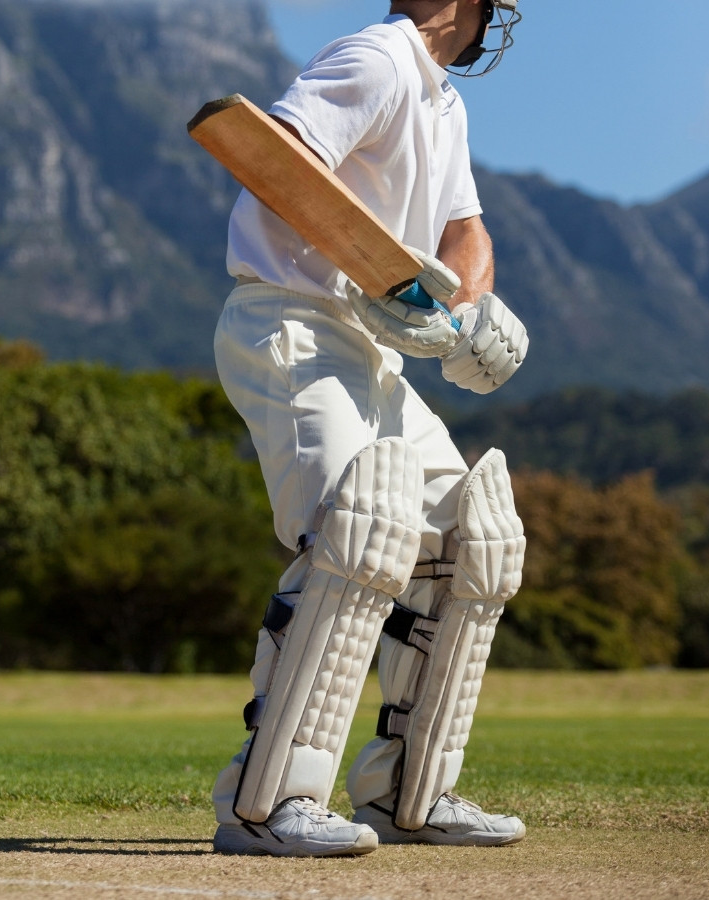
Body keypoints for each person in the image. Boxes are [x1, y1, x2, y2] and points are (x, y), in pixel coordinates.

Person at [209, 0, 530, 858]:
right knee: (359, 534)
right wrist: (389, 283)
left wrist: (463, 312)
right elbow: (273, 162)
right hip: (296, 324)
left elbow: (466, 232)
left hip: (368, 347)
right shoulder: (379, 58)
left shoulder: (443, 100)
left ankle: (409, 795)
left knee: (474, 538)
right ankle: (265, 804)